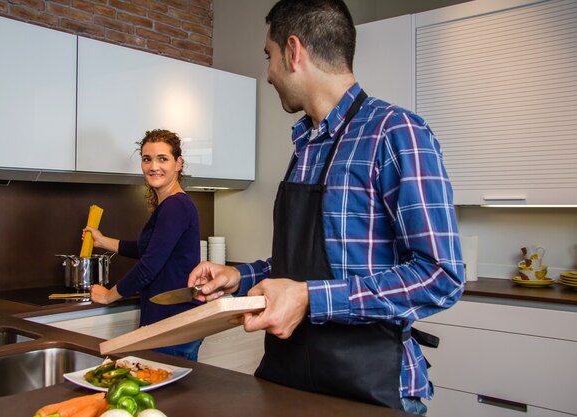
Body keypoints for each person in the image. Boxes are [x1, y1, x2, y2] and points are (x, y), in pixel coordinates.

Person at [188, 0, 464, 414]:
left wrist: (311, 299)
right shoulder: (307, 146)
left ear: (294, 51)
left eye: (269, 56)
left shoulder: (396, 132)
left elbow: (440, 275)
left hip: (369, 387)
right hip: (288, 381)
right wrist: (240, 276)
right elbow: (305, 269)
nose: (268, 74)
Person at [85, 129, 203, 361]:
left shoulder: (175, 206)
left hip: (172, 322)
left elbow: (149, 265)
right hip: (172, 319)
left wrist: (109, 295)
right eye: (147, 159)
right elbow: (149, 249)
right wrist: (102, 241)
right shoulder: (172, 204)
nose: (153, 166)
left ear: (178, 163)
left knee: (169, 395)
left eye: (163, 159)